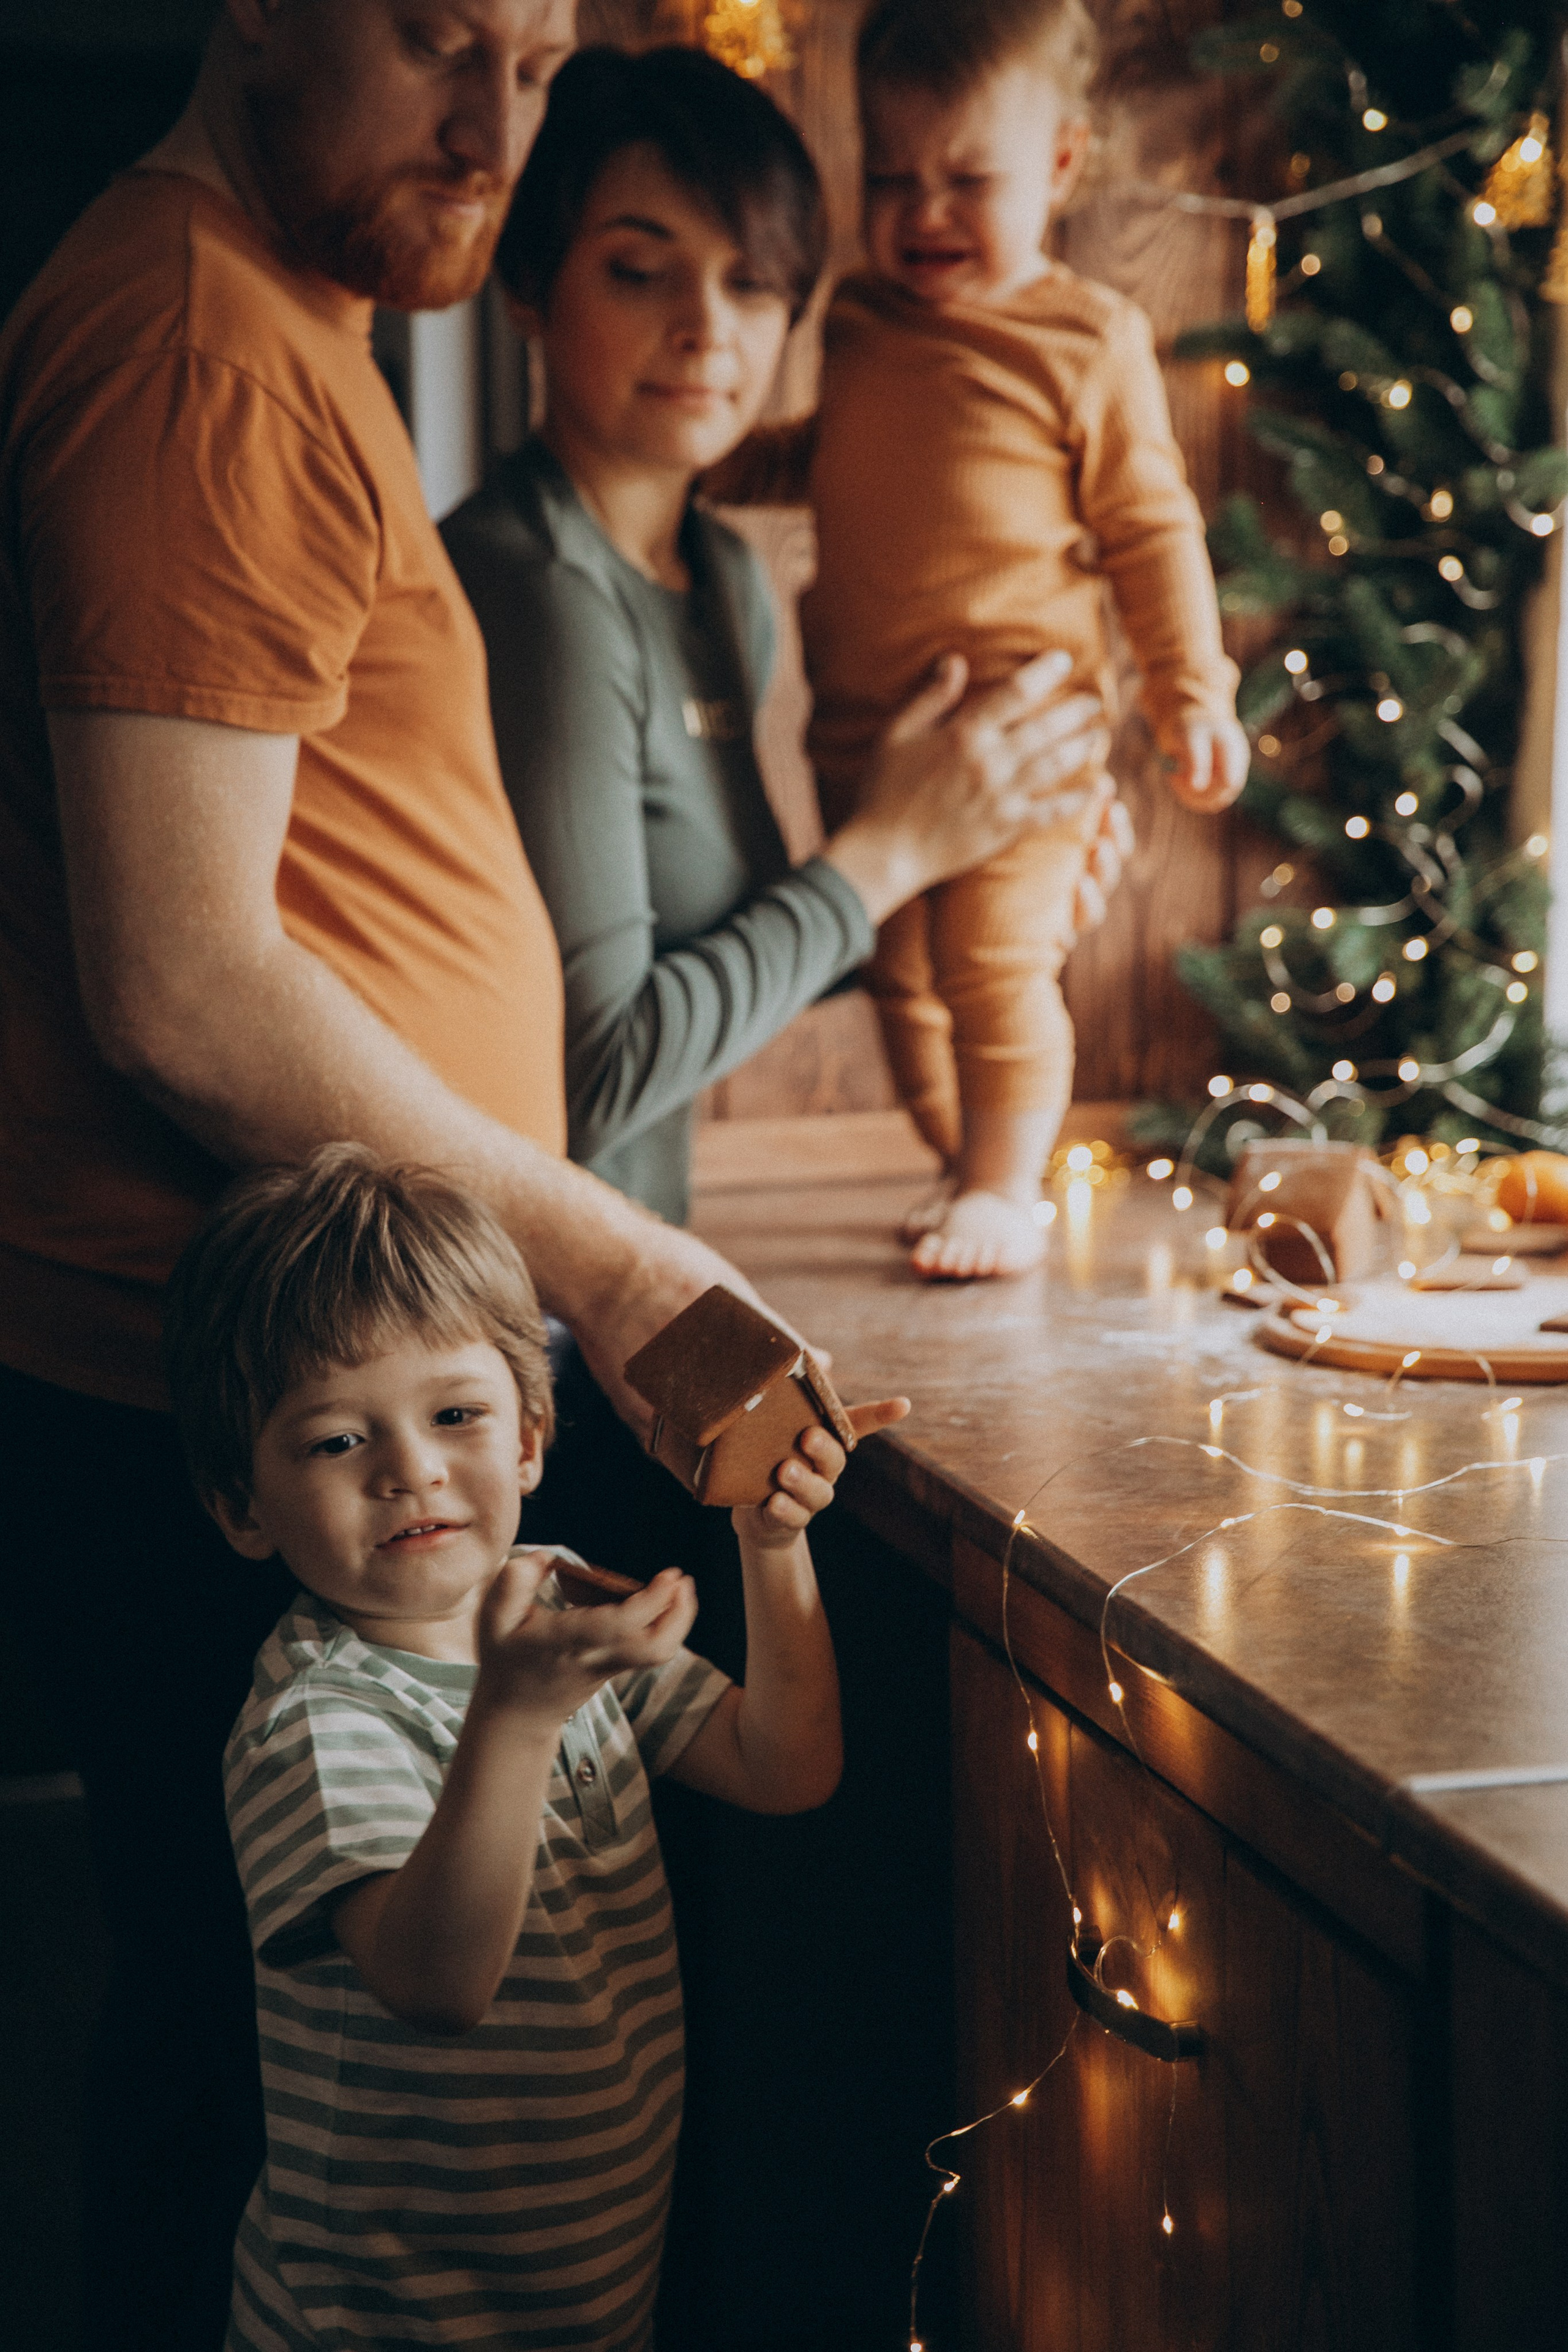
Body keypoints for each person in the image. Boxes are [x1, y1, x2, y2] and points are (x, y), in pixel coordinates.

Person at [0, 4, 1109, 2343]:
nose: (489, 124)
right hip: (260, 1381)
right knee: (265, 2110)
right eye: (435, 41)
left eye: (525, 54)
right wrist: (605, 1259)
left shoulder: (287, 325)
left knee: (364, 2084)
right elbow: (185, 984)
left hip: (365, 1339)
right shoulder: (203, 336)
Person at [160, 1145, 905, 2352]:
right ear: (242, 1505)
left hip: (591, 2293)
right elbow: (437, 1985)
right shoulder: (316, 1719)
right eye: (337, 1442)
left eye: (455, 1415)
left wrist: (770, 1549)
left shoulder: (559, 1604)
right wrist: (512, 1718)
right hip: (381, 2325)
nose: (410, 1469)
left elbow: (783, 1767)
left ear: (528, 1440)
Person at [442, 43, 1125, 1224]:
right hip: (503, 1319)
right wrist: (892, 854)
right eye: (640, 272)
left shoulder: (719, 576)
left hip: (637, 1271)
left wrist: (994, 855)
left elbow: (739, 955)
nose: (710, 328)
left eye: (752, 283)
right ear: (527, 291)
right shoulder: (536, 589)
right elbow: (591, 1081)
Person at [712, 0, 1251, 1280]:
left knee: (992, 966)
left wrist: (1191, 692)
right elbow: (832, 461)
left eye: (967, 180)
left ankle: (1005, 1184)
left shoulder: (1083, 338)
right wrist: (715, 457)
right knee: (895, 975)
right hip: (862, 739)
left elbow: (1150, 527)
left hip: (1024, 735)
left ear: (1061, 165)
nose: (923, 213)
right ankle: (970, 1163)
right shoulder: (855, 317)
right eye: (890, 177)